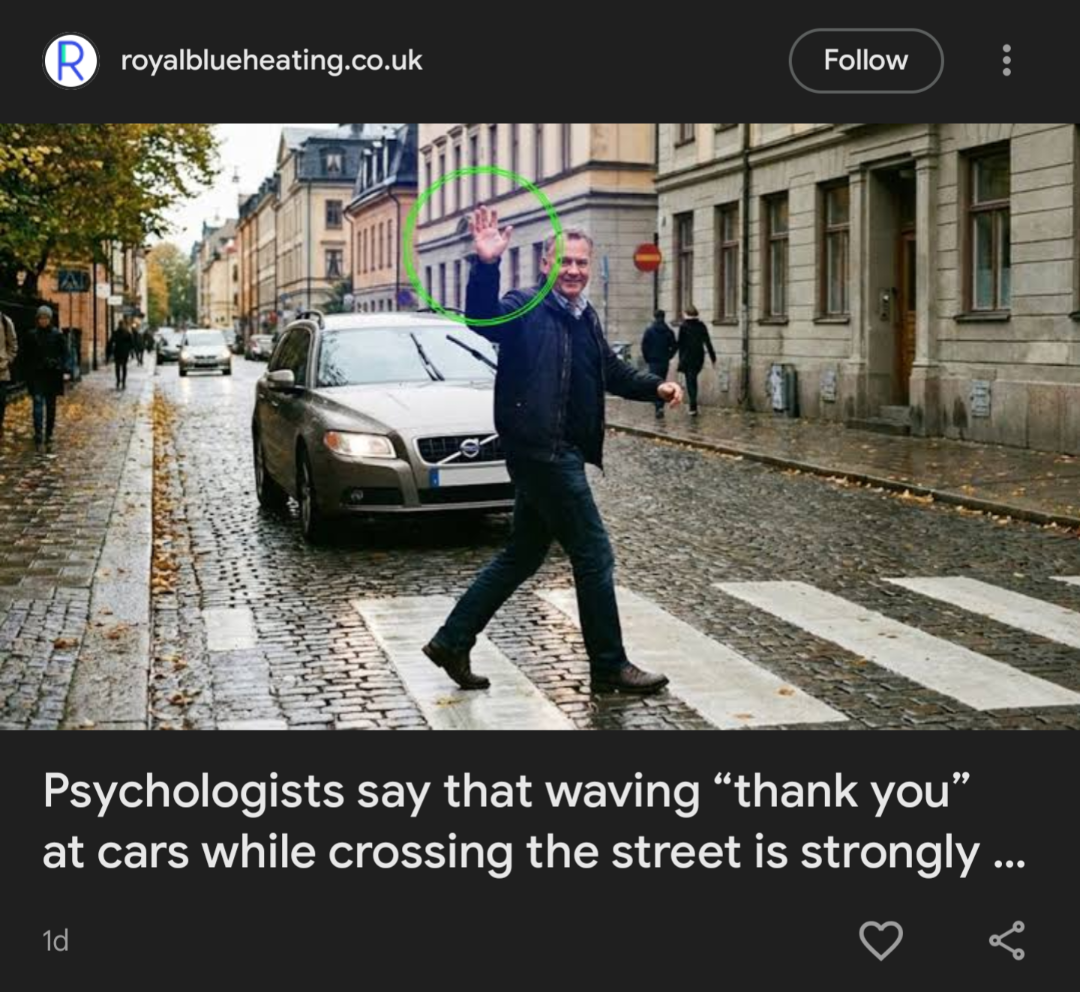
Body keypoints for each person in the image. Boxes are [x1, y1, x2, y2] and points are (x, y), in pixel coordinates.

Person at [423, 208, 684, 696]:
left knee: (522, 554)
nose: (574, 271)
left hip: (556, 450)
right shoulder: (524, 306)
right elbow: (481, 317)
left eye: (582, 263)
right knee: (593, 554)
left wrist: (657, 389)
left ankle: (451, 640)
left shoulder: (584, 317)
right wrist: (484, 265)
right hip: (543, 451)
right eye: (565, 262)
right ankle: (609, 665)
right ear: (546, 264)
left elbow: (611, 371)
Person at [24, 306, 66, 446]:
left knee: (50, 406)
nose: (43, 320)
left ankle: (49, 432)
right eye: (41, 318)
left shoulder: (57, 335)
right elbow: (26, 356)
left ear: (50, 319)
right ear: (38, 319)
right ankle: (38, 432)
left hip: (52, 375)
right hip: (37, 375)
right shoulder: (32, 335)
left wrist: (57, 363)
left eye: (46, 318)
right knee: (37, 404)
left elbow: (64, 354)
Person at [676, 305, 716, 417]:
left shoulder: (683, 326)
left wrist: (676, 358)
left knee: (690, 381)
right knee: (692, 379)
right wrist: (713, 358)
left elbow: (680, 344)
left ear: (687, 314)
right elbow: (708, 342)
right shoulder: (701, 325)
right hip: (698, 357)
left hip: (687, 357)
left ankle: (693, 406)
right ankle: (693, 405)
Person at [641, 309, 677, 419]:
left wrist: (647, 358)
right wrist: (669, 355)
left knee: (655, 383)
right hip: (663, 361)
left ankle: (658, 406)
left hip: (653, 361)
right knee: (662, 382)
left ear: (654, 317)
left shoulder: (649, 330)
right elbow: (674, 346)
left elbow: (644, 346)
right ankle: (660, 405)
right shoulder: (668, 331)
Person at [0, 311, 18, 435]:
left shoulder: (5, 321)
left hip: (1, 370)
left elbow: (13, 344)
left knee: (1, 403)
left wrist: (8, 360)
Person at [110, 319, 135, 391]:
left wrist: (111, 351)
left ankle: (119, 381)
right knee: (123, 367)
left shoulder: (116, 333)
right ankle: (122, 382)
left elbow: (111, 342)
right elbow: (132, 343)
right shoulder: (127, 333)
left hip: (118, 352)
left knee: (118, 368)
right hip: (123, 352)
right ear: (123, 325)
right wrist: (129, 350)